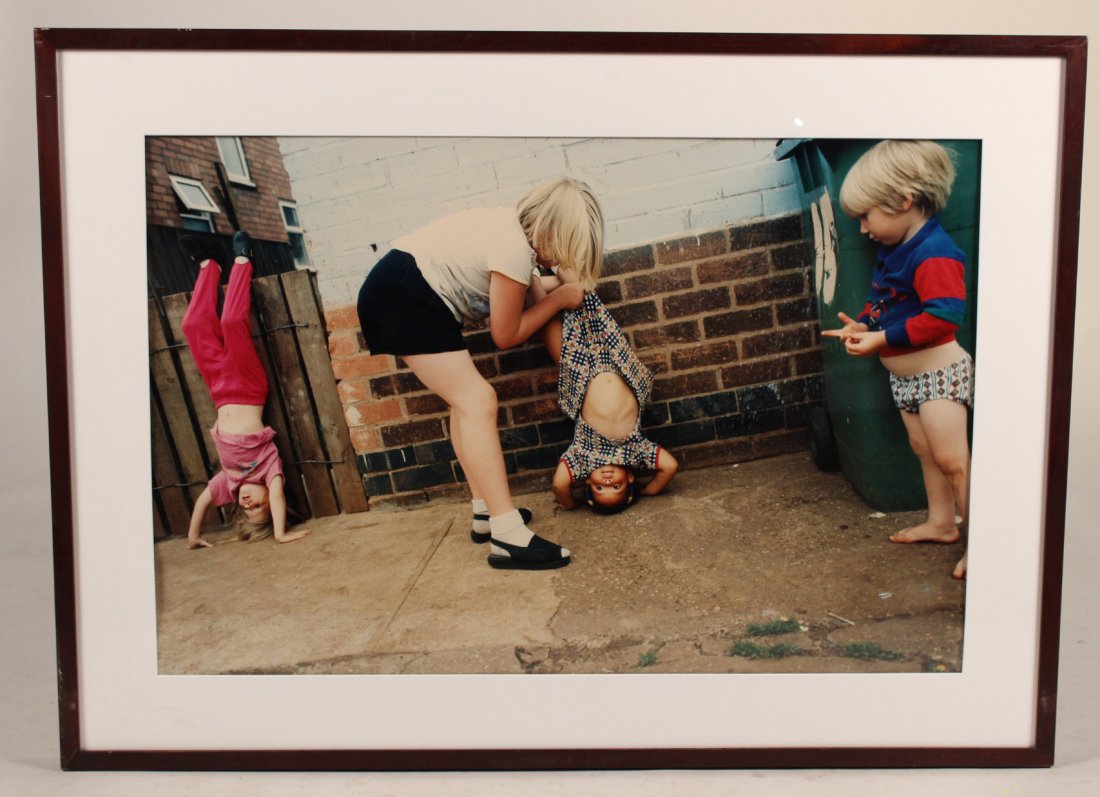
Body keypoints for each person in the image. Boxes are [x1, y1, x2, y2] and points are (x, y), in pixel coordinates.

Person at [356, 176, 603, 570]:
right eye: (563, 246)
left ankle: (486, 513)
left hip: (403, 286)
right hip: (403, 294)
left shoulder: (510, 231)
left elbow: (530, 292)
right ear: (550, 228)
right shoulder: (513, 248)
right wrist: (557, 298)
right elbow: (506, 335)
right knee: (477, 400)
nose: (557, 259)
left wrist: (556, 290)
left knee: (463, 402)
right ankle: (508, 536)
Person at [822, 140, 972, 579]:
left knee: (953, 460)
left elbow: (944, 318)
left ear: (903, 200)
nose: (864, 229)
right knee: (925, 452)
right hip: (907, 379)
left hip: (938, 373)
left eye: (866, 216)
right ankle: (942, 524)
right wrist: (866, 326)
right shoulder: (894, 250)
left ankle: (990, 544)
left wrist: (882, 337)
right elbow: (884, 300)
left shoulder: (934, 252)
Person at [179, 231, 311, 549]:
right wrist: (279, 533)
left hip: (219, 387)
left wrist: (194, 536)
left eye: (245, 509)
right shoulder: (269, 469)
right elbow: (278, 495)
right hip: (248, 388)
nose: (249, 503)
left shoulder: (229, 481)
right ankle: (243, 259)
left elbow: (202, 503)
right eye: (260, 508)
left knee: (192, 326)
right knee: (231, 321)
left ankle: (210, 263)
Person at [531, 278, 679, 513]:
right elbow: (670, 466)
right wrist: (649, 491)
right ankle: (561, 271)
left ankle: (532, 280)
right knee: (585, 296)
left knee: (545, 319)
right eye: (616, 486)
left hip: (579, 374)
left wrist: (569, 504)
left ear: (588, 481)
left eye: (600, 489)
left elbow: (559, 484)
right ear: (630, 478)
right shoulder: (635, 452)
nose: (607, 483)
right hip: (617, 362)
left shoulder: (581, 459)